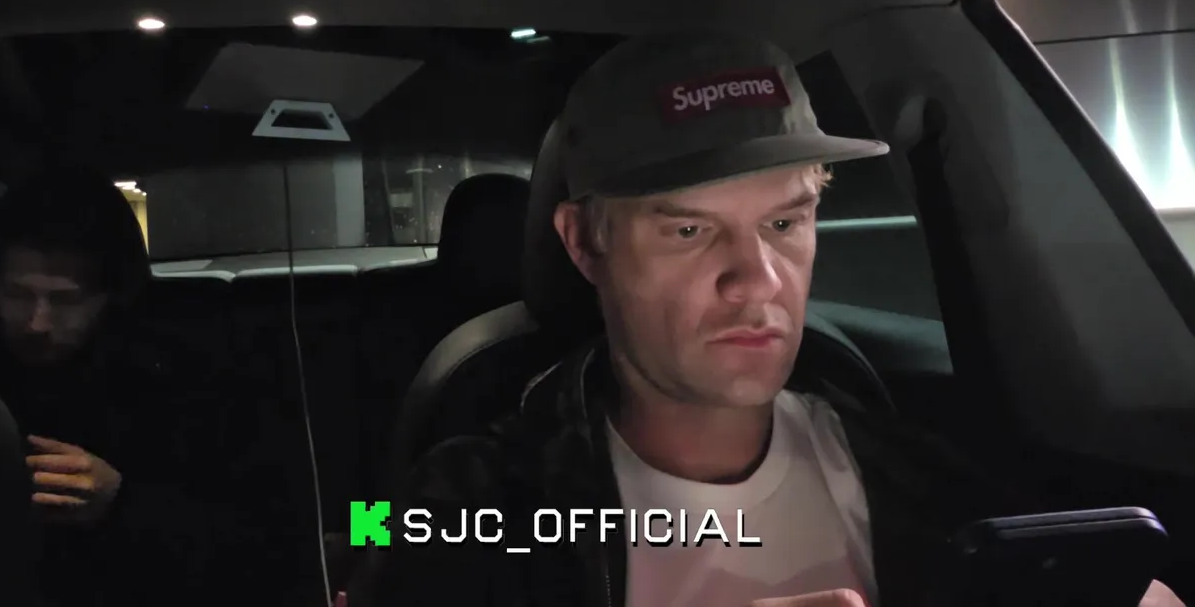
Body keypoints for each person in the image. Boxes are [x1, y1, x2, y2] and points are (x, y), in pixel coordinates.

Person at [349, 34, 1185, 607]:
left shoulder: (909, 465)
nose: (758, 279)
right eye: (688, 230)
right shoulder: (472, 500)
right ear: (584, 243)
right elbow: (375, 536)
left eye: (785, 222)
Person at [0, 164, 310, 606]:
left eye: (65, 300)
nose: (36, 322)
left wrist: (119, 502)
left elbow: (270, 545)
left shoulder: (188, 383)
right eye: (16, 294)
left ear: (112, 297)